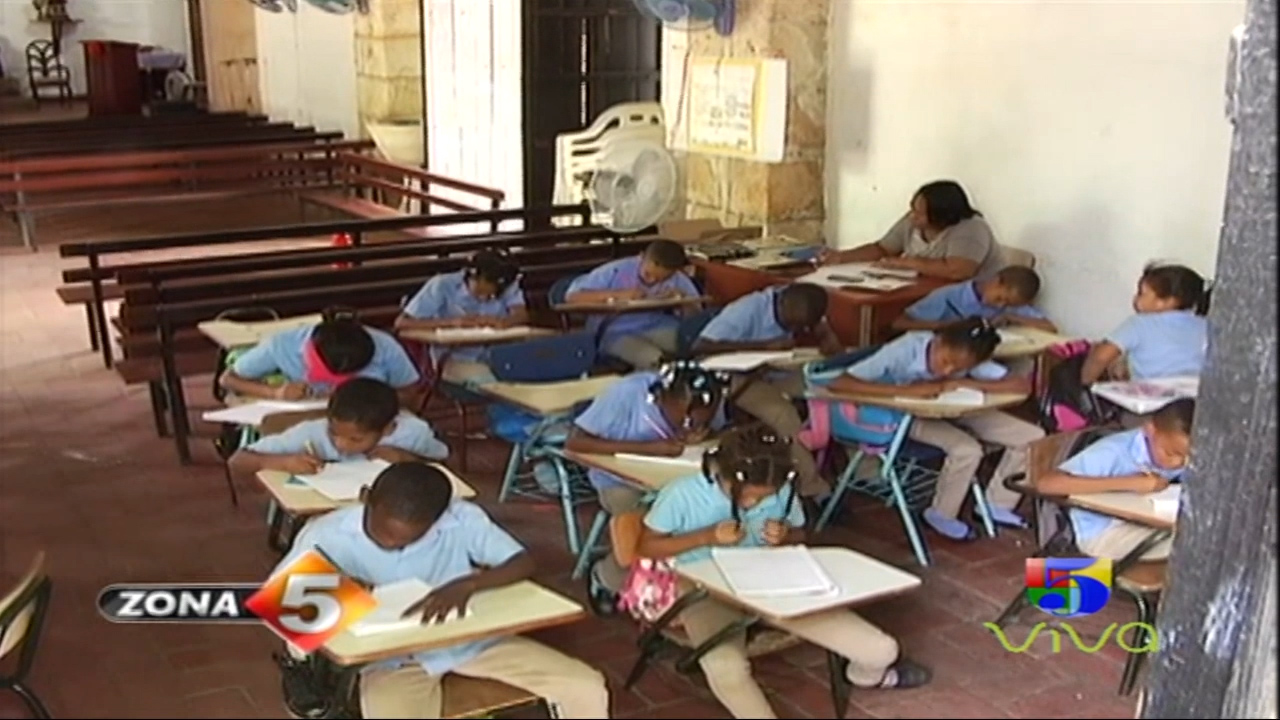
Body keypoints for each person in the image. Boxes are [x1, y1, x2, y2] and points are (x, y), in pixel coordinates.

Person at [634, 425, 931, 719]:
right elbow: (646, 546)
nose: (754, 504)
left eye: (764, 498)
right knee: (728, 671)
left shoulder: (782, 490)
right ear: (722, 476)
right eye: (747, 497)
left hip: (772, 580)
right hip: (705, 588)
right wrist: (705, 537)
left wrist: (786, 536)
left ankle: (864, 677)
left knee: (882, 650)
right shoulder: (682, 494)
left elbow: (799, 534)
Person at [271, 463, 611, 719]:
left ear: (439, 517)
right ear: (365, 499)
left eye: (408, 539)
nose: (391, 545)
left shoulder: (462, 520)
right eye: (382, 534)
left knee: (586, 686)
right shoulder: (326, 535)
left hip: (469, 640)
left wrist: (469, 584)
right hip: (393, 660)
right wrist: (339, 593)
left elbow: (522, 562)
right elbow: (288, 610)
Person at [828, 319, 1044, 539]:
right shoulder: (905, 349)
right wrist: (906, 391)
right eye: (945, 361)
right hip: (907, 415)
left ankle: (996, 504)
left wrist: (969, 383)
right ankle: (941, 514)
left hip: (955, 410)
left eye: (959, 369)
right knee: (967, 449)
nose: (947, 370)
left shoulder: (968, 352)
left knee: (1033, 438)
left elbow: (1020, 385)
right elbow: (839, 383)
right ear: (938, 341)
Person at [568, 361, 728, 601]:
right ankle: (607, 577)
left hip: (673, 477)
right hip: (618, 480)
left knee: (709, 509)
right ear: (666, 399)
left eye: (700, 422)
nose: (691, 425)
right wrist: (647, 448)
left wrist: (702, 434)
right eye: (687, 421)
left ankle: (687, 584)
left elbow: (717, 433)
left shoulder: (708, 395)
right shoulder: (628, 393)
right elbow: (575, 444)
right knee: (643, 523)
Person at [693, 282, 841, 500]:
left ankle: (864, 472)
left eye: (803, 325)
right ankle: (813, 489)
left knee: (836, 389)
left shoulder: (805, 302)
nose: (797, 329)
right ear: (780, 303)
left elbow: (823, 331)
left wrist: (829, 339)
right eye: (791, 323)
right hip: (735, 375)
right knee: (783, 414)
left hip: (776, 370)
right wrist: (761, 347)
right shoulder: (747, 310)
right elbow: (699, 347)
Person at [1038, 399, 1194, 560]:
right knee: (1189, 544)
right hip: (1101, 533)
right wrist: (1129, 483)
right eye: (1169, 453)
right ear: (1150, 430)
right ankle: (1062, 577)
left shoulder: (1177, 451)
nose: (1178, 463)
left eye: (1187, 458)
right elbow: (1046, 484)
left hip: (1146, 524)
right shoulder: (1112, 452)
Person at [229, 377, 448, 477]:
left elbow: (442, 467)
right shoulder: (312, 433)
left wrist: (406, 459)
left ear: (388, 426)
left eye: (356, 439)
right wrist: (282, 462)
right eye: (334, 433)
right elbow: (237, 461)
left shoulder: (414, 433)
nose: (340, 445)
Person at [220, 307, 420, 406]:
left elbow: (411, 394)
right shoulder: (283, 345)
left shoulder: (386, 348)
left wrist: (371, 399)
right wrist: (275, 393)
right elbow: (228, 379)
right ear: (309, 351)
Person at [820, 180, 1003, 280]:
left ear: (942, 216)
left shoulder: (971, 228)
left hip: (972, 302)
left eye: (920, 213)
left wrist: (909, 263)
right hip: (922, 290)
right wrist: (841, 257)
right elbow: (882, 249)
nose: (912, 217)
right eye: (913, 209)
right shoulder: (911, 221)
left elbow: (959, 271)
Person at [394, 249, 527, 386]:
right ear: (472, 276)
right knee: (491, 383)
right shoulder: (442, 285)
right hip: (454, 358)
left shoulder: (504, 283)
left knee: (534, 374)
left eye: (493, 296)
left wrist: (504, 322)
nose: (486, 297)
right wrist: (454, 322)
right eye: (482, 292)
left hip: (497, 353)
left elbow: (521, 315)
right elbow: (402, 323)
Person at [564, 239, 701, 369]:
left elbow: (695, 317)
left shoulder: (677, 278)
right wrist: (617, 295)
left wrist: (683, 302)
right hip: (615, 332)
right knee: (655, 359)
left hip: (657, 325)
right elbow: (572, 297)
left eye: (662, 279)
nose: (653, 281)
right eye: (648, 275)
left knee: (696, 345)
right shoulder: (615, 270)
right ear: (641, 257)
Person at [1080, 263, 1210, 385]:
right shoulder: (1205, 326)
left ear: (1166, 302)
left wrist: (1086, 381)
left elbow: (1101, 357)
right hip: (1194, 399)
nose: (1135, 298)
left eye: (1141, 293)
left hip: (1150, 402)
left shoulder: (1139, 324)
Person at [892, 265, 1057, 333]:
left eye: (1007, 304)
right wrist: (942, 326)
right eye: (1000, 298)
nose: (1000, 305)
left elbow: (1049, 328)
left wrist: (1010, 316)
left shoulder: (1009, 305)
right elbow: (899, 323)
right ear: (995, 280)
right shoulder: (949, 296)